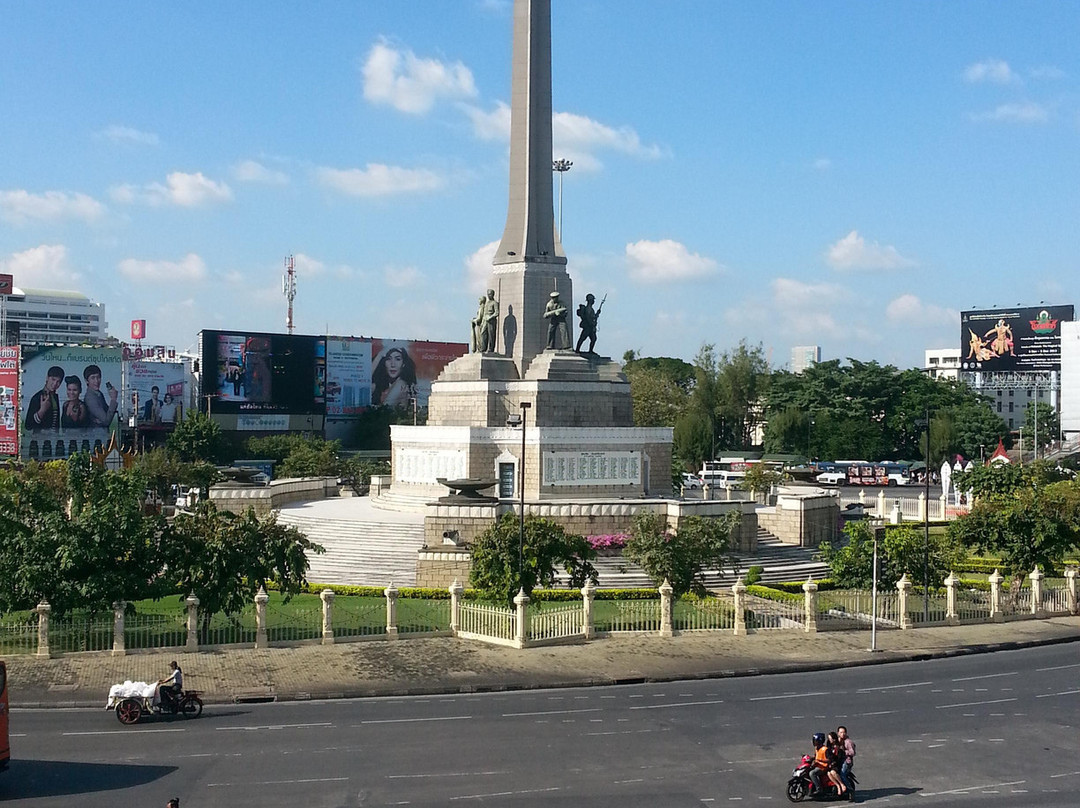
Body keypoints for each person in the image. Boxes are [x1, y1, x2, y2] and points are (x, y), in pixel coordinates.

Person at [25, 365, 64, 432]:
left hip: (53, 439)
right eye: (53, 379)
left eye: (58, 381)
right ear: (47, 378)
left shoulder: (55, 397)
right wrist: (42, 410)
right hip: (40, 439)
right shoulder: (37, 397)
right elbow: (28, 425)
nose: (55, 384)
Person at [825, 731, 847, 796]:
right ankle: (838, 786)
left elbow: (839, 758)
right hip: (831, 764)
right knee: (828, 773)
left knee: (833, 772)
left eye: (830, 739)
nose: (829, 740)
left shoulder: (838, 748)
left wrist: (833, 762)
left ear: (834, 739)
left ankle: (841, 784)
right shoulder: (829, 747)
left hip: (837, 765)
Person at [838, 725, 856, 795]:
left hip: (847, 762)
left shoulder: (848, 742)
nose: (842, 734)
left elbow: (853, 752)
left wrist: (844, 751)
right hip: (840, 761)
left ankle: (850, 790)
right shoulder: (839, 741)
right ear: (838, 733)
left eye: (844, 732)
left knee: (842, 775)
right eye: (841, 732)